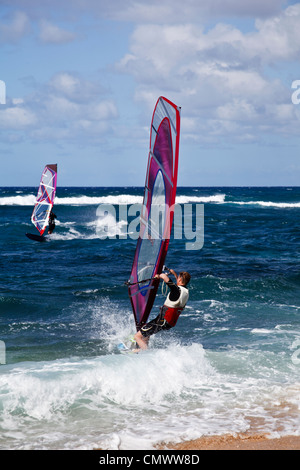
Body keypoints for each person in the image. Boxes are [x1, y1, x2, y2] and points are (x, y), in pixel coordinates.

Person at [134, 269, 191, 350]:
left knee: (137, 336)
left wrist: (159, 276)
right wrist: (174, 273)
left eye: (178, 278)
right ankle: (142, 348)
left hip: (162, 321)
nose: (177, 279)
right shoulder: (185, 291)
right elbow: (177, 286)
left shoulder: (176, 290)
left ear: (180, 279)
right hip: (169, 322)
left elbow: (164, 277)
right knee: (147, 333)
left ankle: (144, 353)